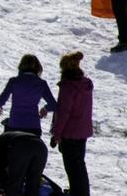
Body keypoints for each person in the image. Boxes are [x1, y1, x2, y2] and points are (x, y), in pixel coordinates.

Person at [51, 51, 93, 196]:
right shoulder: (85, 84)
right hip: (83, 131)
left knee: (73, 167)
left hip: (70, 133)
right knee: (79, 164)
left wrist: (56, 135)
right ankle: (80, 191)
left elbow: (64, 113)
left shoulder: (68, 87)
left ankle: (79, 193)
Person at [0, 54, 57, 137]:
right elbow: (53, 104)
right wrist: (45, 109)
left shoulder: (14, 81)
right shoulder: (41, 83)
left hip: (14, 125)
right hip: (33, 127)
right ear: (38, 68)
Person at [0, 130, 48, 196]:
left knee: (14, 187)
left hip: (20, 146)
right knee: (33, 185)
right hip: (41, 147)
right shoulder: (2, 140)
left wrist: (0, 189)